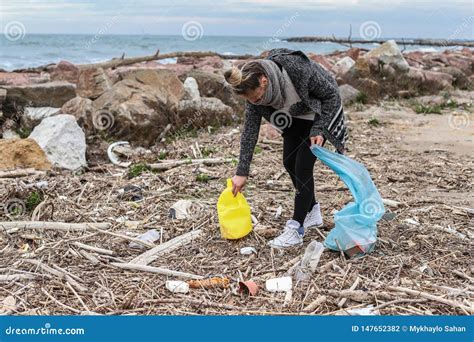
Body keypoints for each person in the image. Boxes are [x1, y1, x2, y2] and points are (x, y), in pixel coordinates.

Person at [223, 48, 347, 249]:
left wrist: (320, 130)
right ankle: (312, 211)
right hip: (293, 119)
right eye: (250, 101)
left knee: (302, 167)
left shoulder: (297, 70)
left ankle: (296, 229)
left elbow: (332, 95)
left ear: (264, 80)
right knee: (289, 162)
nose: (254, 103)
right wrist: (241, 172)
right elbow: (250, 131)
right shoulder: (253, 94)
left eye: (256, 98)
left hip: (318, 115)